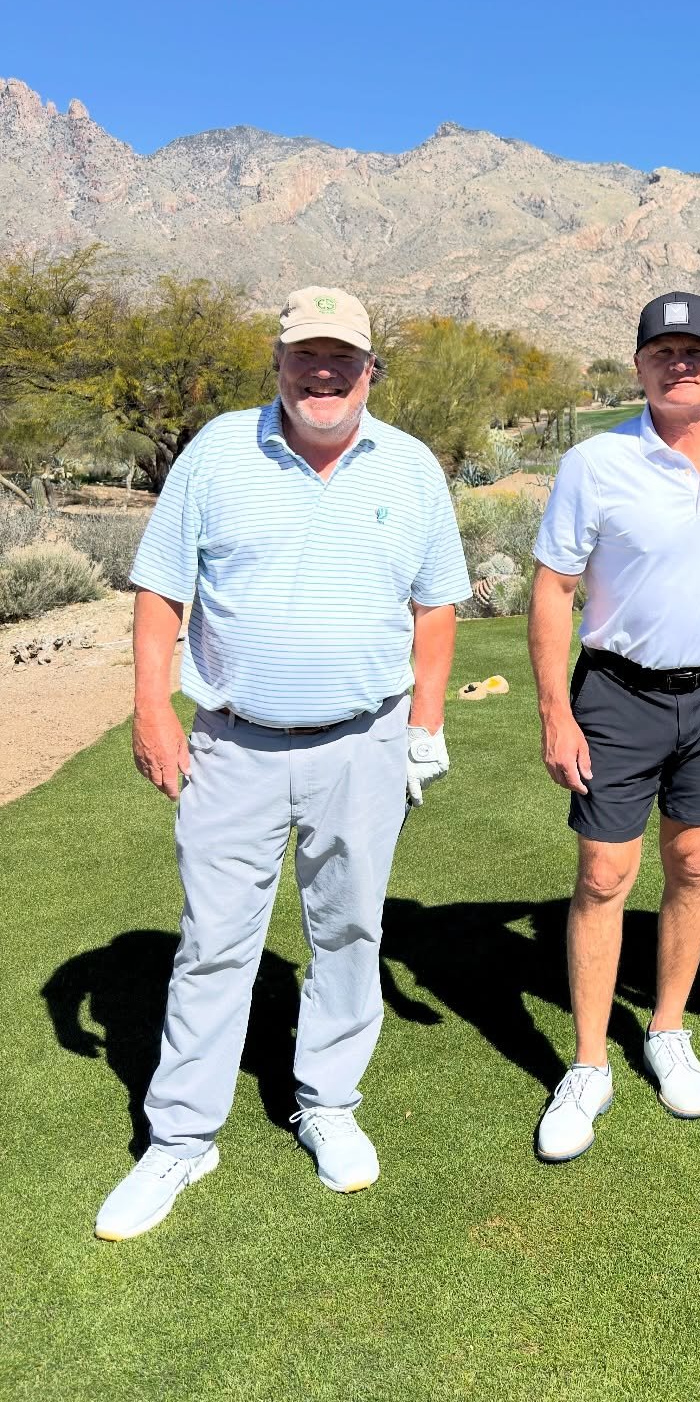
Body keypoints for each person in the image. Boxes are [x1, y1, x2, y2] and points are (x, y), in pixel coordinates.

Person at [95, 286, 472, 1240]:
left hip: (365, 740)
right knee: (216, 940)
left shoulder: (412, 467)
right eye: (306, 354)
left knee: (348, 930)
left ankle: (327, 1102)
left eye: (342, 357)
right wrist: (151, 709)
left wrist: (425, 725)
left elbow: (436, 606)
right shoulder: (219, 452)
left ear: (369, 371)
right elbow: (159, 591)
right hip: (233, 741)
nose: (323, 372)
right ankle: (182, 1139)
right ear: (279, 362)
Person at [528, 291, 700, 1162]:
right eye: (663, 352)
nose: (681, 364)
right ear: (638, 366)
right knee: (605, 875)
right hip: (617, 694)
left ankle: (668, 1028)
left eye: (697, 351)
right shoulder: (594, 463)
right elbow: (553, 589)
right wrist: (556, 712)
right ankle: (591, 1063)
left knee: (694, 858)